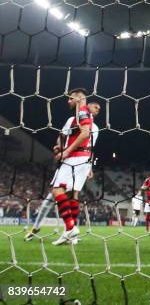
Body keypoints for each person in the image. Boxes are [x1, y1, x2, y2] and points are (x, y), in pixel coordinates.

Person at [25, 102, 101, 243]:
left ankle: (70, 232)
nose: (98, 109)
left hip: (81, 163)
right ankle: (41, 228)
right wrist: (58, 146)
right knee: (51, 197)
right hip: (67, 161)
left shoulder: (95, 128)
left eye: (99, 109)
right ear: (87, 106)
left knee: (71, 195)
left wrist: (90, 167)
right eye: (95, 106)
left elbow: (90, 148)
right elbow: (62, 136)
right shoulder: (71, 121)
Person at [47, 89, 94, 245]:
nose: (68, 101)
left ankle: (70, 228)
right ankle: (72, 236)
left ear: (79, 98)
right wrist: (60, 147)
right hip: (83, 159)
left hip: (75, 158)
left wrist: (66, 151)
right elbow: (63, 136)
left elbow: (85, 134)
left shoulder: (82, 112)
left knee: (56, 190)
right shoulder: (76, 117)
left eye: (70, 98)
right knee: (72, 195)